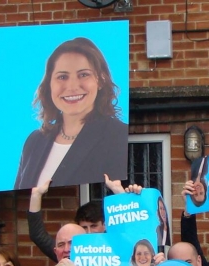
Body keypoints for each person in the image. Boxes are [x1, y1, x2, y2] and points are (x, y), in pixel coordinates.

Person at [15, 37, 127, 189]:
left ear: (100, 80)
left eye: (83, 75)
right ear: (49, 84)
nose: (72, 86)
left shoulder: (118, 136)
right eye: (62, 77)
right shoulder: (34, 141)